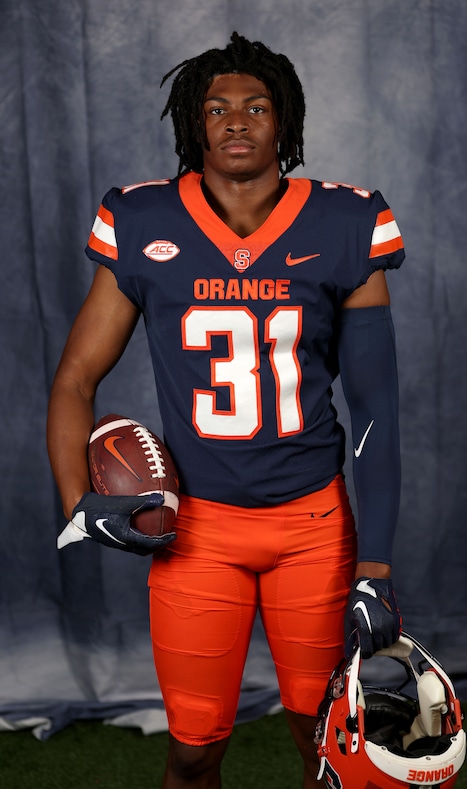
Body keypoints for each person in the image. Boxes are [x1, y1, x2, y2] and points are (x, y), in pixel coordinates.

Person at [47, 32, 405, 789]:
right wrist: (80, 502)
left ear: (285, 122)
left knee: (331, 739)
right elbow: (77, 377)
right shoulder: (142, 219)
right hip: (197, 535)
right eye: (216, 108)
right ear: (193, 123)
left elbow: (374, 405)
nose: (236, 120)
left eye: (256, 106)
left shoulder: (347, 221)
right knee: (194, 746)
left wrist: (375, 565)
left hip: (314, 526)